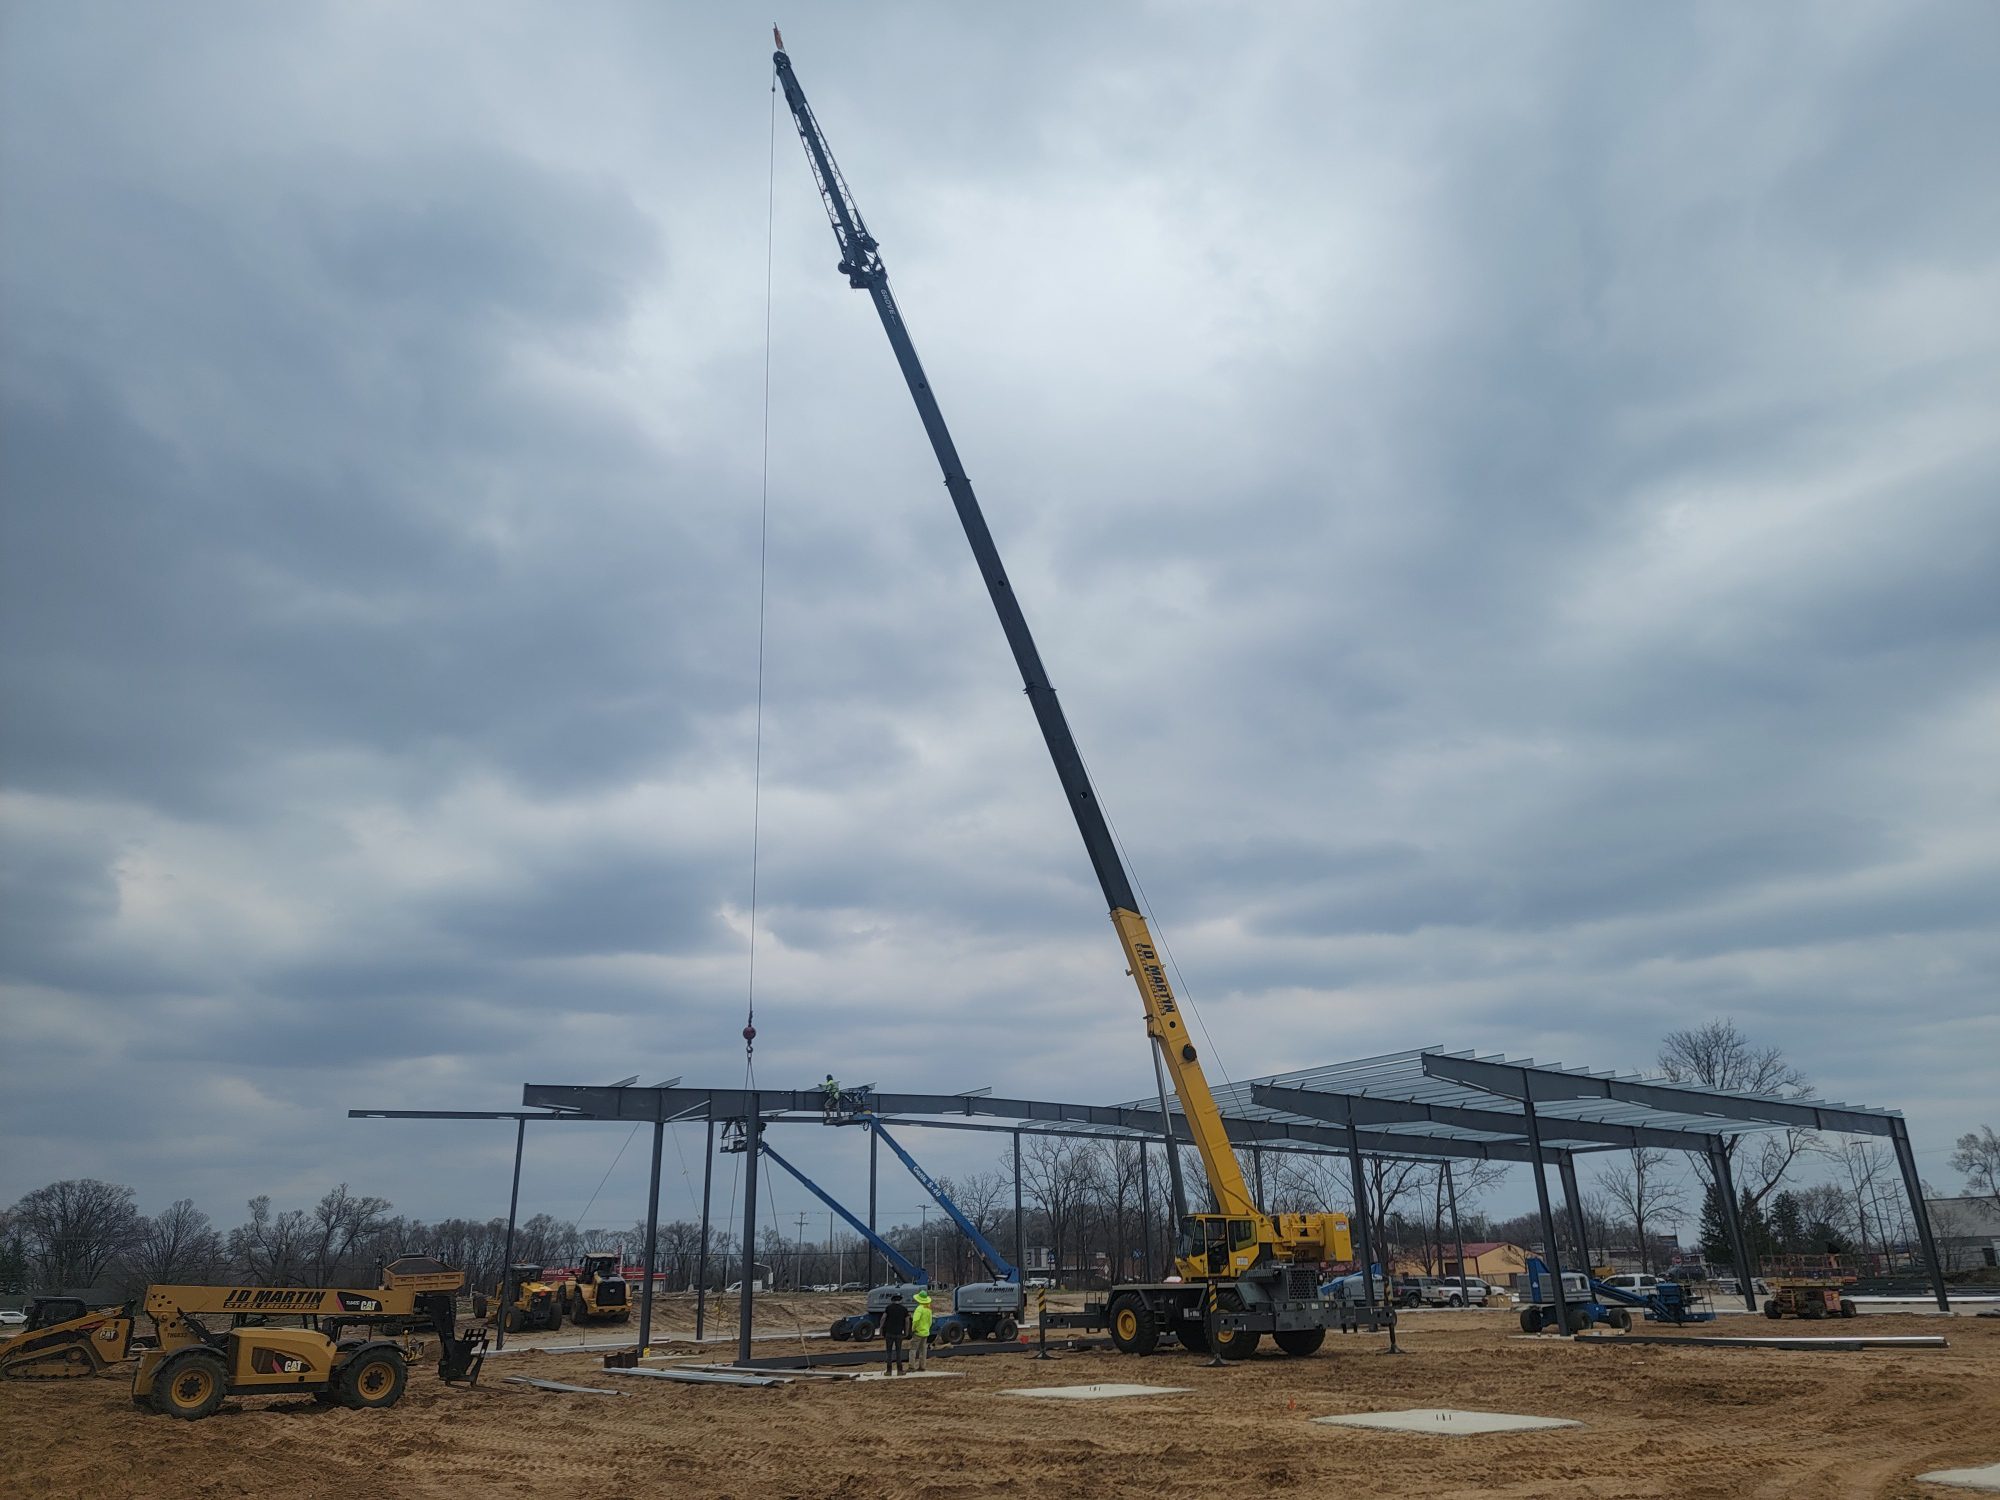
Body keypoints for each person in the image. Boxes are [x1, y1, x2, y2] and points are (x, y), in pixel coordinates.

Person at [879, 1292, 910, 1376]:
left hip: (889, 1333)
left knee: (889, 1352)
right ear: (900, 1300)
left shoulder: (888, 1308)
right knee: (898, 1352)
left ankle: (889, 1371)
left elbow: (883, 1318)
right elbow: (907, 1321)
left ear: (892, 1300)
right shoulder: (904, 1309)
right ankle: (900, 1370)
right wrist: (906, 1332)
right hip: (899, 1333)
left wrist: (881, 1328)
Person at [910, 1288, 934, 1370]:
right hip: (925, 1332)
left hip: (918, 1332)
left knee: (913, 1349)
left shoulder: (919, 1309)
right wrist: (927, 1328)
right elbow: (930, 1321)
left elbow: (915, 1320)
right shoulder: (928, 1309)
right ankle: (922, 1366)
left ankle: (911, 1366)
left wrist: (913, 1329)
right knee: (923, 1350)